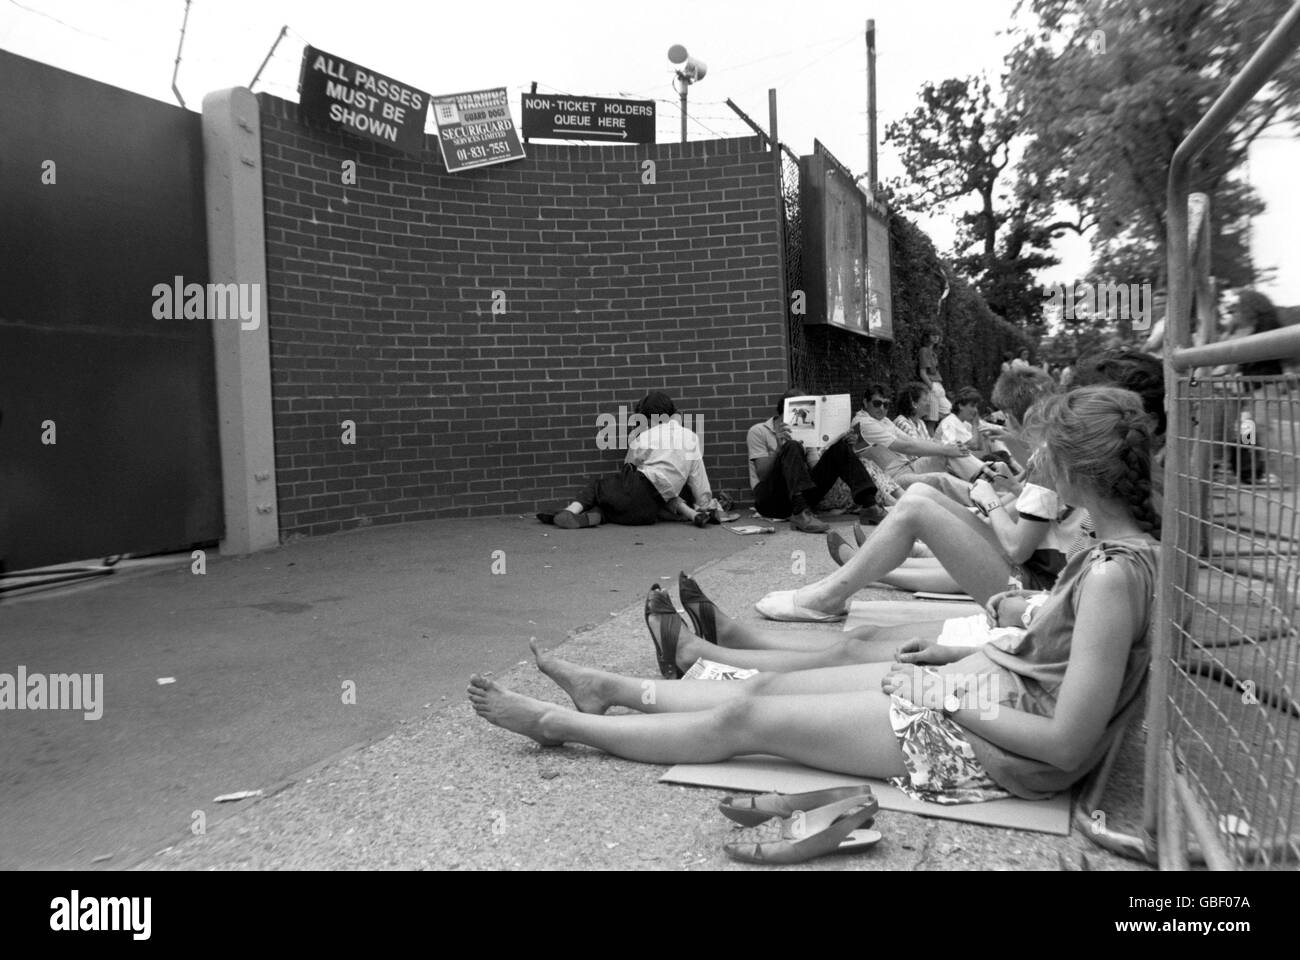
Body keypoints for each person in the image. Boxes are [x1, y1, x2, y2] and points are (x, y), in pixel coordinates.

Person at [470, 386, 1160, 804]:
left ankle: (564, 724)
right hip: (977, 698)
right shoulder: (1120, 558)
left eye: (1048, 458)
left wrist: (944, 694)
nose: (1038, 469)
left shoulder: (1110, 573)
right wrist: (1000, 633)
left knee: (751, 719)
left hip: (981, 739)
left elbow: (1067, 745)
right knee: (764, 696)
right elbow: (1061, 661)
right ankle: (611, 690)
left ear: (1077, 469)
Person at [758, 371, 1087, 622]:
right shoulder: (1056, 455)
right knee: (918, 492)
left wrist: (989, 501)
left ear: (1017, 417)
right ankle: (858, 572)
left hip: (1032, 593)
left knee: (916, 503)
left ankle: (830, 596)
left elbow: (1017, 548)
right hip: (1038, 581)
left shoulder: (1048, 460)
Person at [539, 391, 714, 529]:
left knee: (597, 488)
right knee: (611, 507)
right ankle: (590, 516)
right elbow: (698, 478)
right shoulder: (691, 437)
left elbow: (628, 469)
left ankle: (570, 511)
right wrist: (704, 504)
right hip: (648, 513)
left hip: (639, 488)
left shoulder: (645, 437)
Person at [747, 389, 879, 533]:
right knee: (792, 445)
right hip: (771, 501)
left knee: (840, 448)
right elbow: (763, 475)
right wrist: (780, 450)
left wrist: (841, 449)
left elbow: (817, 471)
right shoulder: (758, 431)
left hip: (803, 498)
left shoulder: (806, 431)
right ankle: (800, 515)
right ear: (787, 409)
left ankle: (869, 505)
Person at [850, 383, 989, 504]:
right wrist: (945, 449)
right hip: (894, 479)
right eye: (877, 403)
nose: (882, 408)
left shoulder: (884, 420)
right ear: (865, 402)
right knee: (941, 478)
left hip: (909, 466)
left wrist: (946, 449)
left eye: (886, 404)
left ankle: (987, 477)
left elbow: (911, 441)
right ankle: (985, 501)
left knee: (951, 453)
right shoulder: (863, 423)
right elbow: (906, 447)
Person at [917, 326, 950, 431]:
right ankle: (929, 441)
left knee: (948, 410)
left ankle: (933, 435)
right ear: (927, 337)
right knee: (932, 420)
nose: (936, 337)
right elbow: (922, 373)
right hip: (931, 386)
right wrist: (931, 387)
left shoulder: (933, 352)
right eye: (933, 334)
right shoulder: (924, 351)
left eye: (938, 335)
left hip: (938, 385)